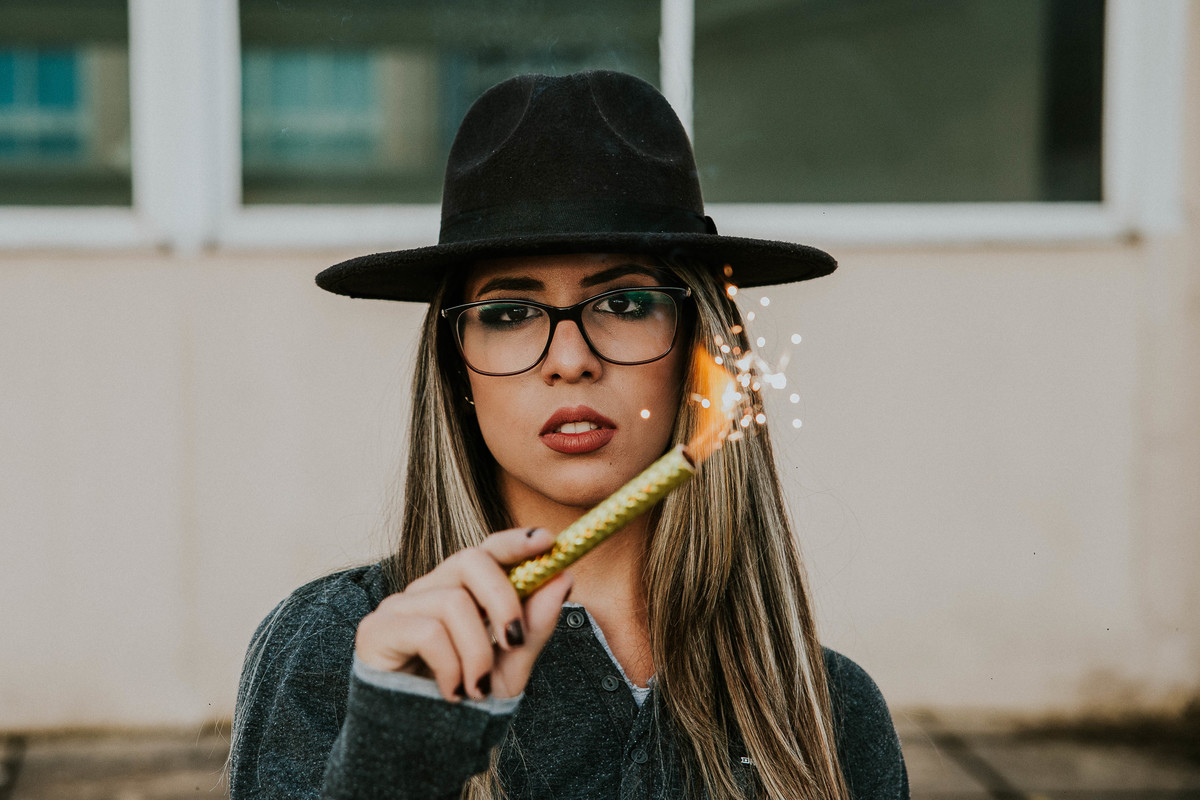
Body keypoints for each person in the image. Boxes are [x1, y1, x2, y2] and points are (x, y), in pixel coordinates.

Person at [229, 70, 908, 800]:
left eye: (624, 300)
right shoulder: (348, 651)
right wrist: (392, 765)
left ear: (697, 349)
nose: (571, 360)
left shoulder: (827, 708)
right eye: (509, 313)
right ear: (458, 366)